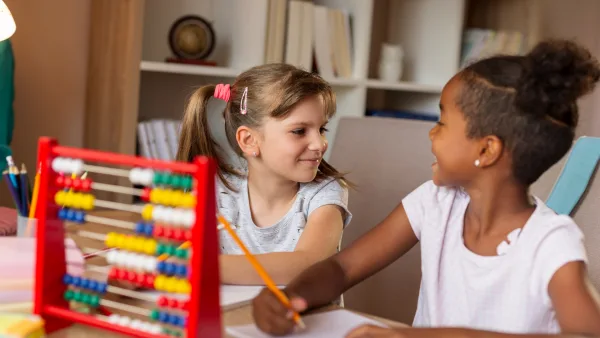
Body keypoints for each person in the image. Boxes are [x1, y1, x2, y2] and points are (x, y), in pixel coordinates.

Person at [252, 39, 600, 337]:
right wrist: (293, 297)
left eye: (442, 123)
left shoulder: (550, 241)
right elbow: (342, 269)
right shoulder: (435, 204)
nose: (431, 134)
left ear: (486, 150)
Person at [176, 63, 352, 285]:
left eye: (322, 129)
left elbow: (309, 263)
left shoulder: (325, 194)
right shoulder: (215, 192)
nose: (320, 143)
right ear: (249, 141)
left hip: (306, 318)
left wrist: (199, 265)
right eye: (299, 131)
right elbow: (168, 245)